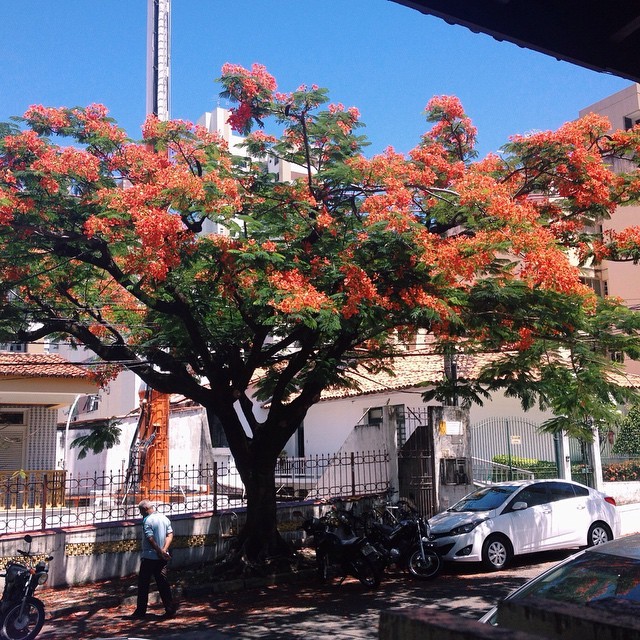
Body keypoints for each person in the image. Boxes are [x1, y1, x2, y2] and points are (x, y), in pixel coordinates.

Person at [128, 499, 177, 619]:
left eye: (140, 511)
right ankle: (169, 609)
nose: (140, 514)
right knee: (163, 583)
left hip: (149, 557)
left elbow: (150, 538)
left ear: (145, 510)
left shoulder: (147, 520)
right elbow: (170, 534)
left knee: (143, 584)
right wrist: (164, 550)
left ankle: (140, 611)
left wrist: (159, 551)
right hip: (161, 558)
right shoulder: (164, 518)